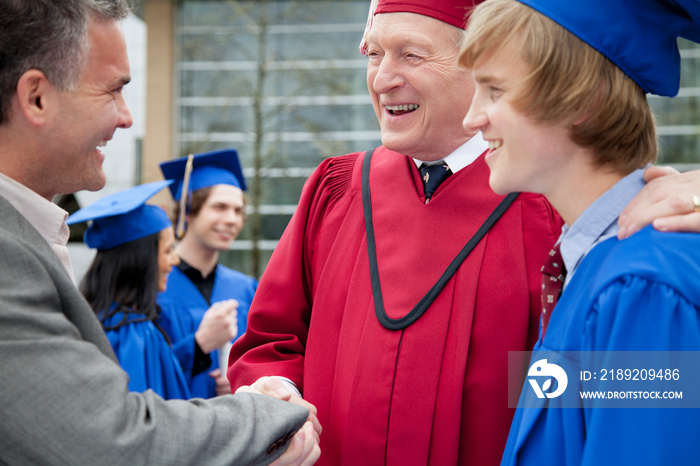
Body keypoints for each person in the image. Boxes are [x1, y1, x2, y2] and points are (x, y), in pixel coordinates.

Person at [228, 0, 565, 463]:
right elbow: (271, 342)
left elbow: (638, 381)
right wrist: (278, 390)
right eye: (373, 54)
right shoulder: (335, 193)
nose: (382, 78)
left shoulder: (551, 210)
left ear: (482, 66)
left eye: (411, 54)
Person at [0, 0, 320, 463]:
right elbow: (112, 438)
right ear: (36, 98)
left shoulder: (29, 237)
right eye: (112, 91)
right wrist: (263, 415)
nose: (126, 117)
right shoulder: (9, 258)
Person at [459, 0, 700, 464]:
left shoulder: (644, 289)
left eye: (494, 90)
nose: (472, 119)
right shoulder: (592, 267)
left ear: (583, 102)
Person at [68, 180, 192, 400]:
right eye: (167, 250)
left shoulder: (90, 321)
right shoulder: (134, 333)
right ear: (140, 261)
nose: (175, 259)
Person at [158, 148, 258, 398]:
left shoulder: (246, 288)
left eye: (237, 211)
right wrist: (198, 346)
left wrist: (245, 379)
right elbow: (139, 371)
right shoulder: (152, 286)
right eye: (220, 207)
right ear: (188, 211)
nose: (232, 220)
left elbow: (265, 359)